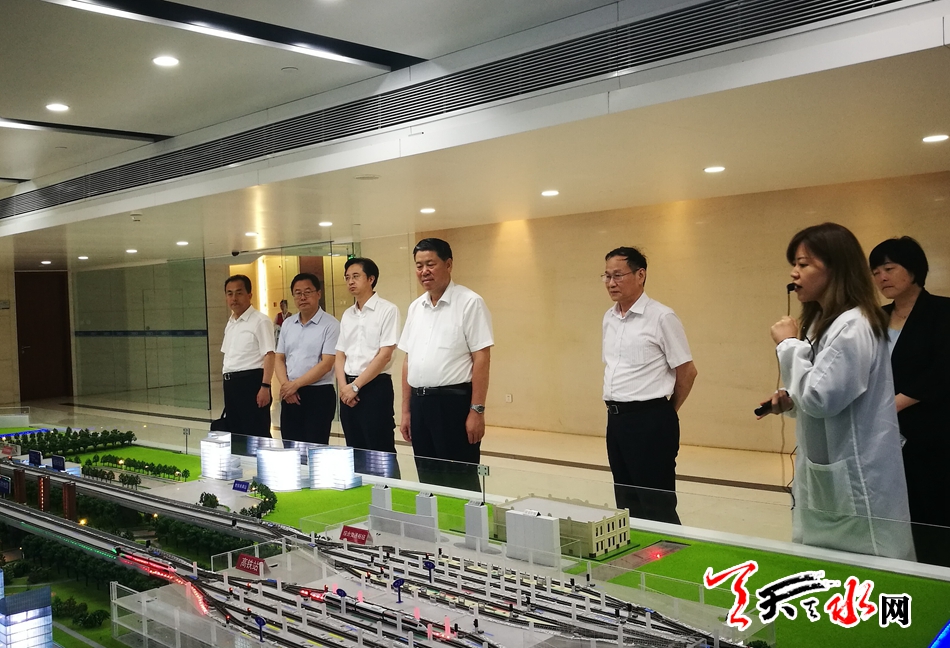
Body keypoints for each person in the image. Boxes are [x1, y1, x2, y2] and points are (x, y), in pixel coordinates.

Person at [759, 223, 914, 560]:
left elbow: (821, 398)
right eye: (794, 264)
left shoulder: (854, 326)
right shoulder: (823, 322)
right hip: (830, 469)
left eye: (803, 264)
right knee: (826, 561)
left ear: (835, 269)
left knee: (866, 569)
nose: (794, 272)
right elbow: (820, 389)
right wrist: (789, 400)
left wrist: (787, 345)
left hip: (856, 477)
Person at [869, 236, 950, 567]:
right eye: (876, 272)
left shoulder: (943, 311)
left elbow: (942, 370)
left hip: (930, 430)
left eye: (889, 268)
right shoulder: (875, 318)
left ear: (914, 270)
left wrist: (894, 405)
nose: (882, 277)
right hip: (881, 431)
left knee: (931, 509)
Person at [601, 247, 697, 525]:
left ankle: (670, 549)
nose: (611, 283)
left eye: (618, 275)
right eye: (606, 276)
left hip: (651, 420)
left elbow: (687, 371)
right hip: (616, 420)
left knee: (656, 504)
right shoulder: (609, 318)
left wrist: (666, 412)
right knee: (626, 501)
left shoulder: (661, 317)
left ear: (640, 275)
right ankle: (639, 549)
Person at [398, 238, 493, 491]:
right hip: (420, 404)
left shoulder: (470, 302)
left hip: (453, 404)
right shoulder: (415, 308)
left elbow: (481, 357)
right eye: (419, 266)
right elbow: (408, 360)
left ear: (448, 264)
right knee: (428, 479)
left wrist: (477, 411)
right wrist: (406, 411)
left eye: (430, 264)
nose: (424, 271)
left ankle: (466, 518)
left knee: (460, 479)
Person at [334, 257, 402, 478]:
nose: (350, 282)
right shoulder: (347, 314)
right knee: (355, 449)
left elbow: (385, 354)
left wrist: (356, 386)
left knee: (380, 448)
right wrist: (344, 388)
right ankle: (362, 492)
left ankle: (390, 493)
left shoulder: (388, 310)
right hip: (348, 389)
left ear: (371, 279)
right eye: (347, 277)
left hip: (375, 387)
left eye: (356, 276)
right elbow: (340, 354)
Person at [275, 273, 340, 446]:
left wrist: (294, 385)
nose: (302, 297)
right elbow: (279, 358)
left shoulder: (331, 325)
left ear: (318, 294)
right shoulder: (288, 324)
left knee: (315, 449)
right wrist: (286, 386)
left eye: (307, 292)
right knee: (290, 449)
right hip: (290, 394)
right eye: (298, 293)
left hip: (318, 394)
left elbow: (326, 364)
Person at [220, 275, 275, 447]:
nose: (234, 298)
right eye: (229, 294)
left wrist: (265, 386)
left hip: (251, 383)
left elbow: (269, 354)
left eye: (239, 293)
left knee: (256, 433)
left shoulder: (260, 320)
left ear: (249, 295)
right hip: (231, 383)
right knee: (236, 433)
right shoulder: (231, 322)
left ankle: (263, 464)